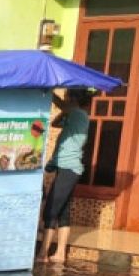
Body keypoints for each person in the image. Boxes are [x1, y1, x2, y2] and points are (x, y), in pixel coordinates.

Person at [38, 88, 93, 263]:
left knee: (51, 210)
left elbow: (62, 106)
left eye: (67, 97)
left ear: (73, 99)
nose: (65, 100)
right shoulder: (73, 116)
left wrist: (49, 92)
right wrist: (63, 111)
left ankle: (43, 254)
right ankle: (60, 253)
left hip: (69, 168)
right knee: (62, 212)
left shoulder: (78, 114)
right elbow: (55, 123)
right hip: (66, 168)